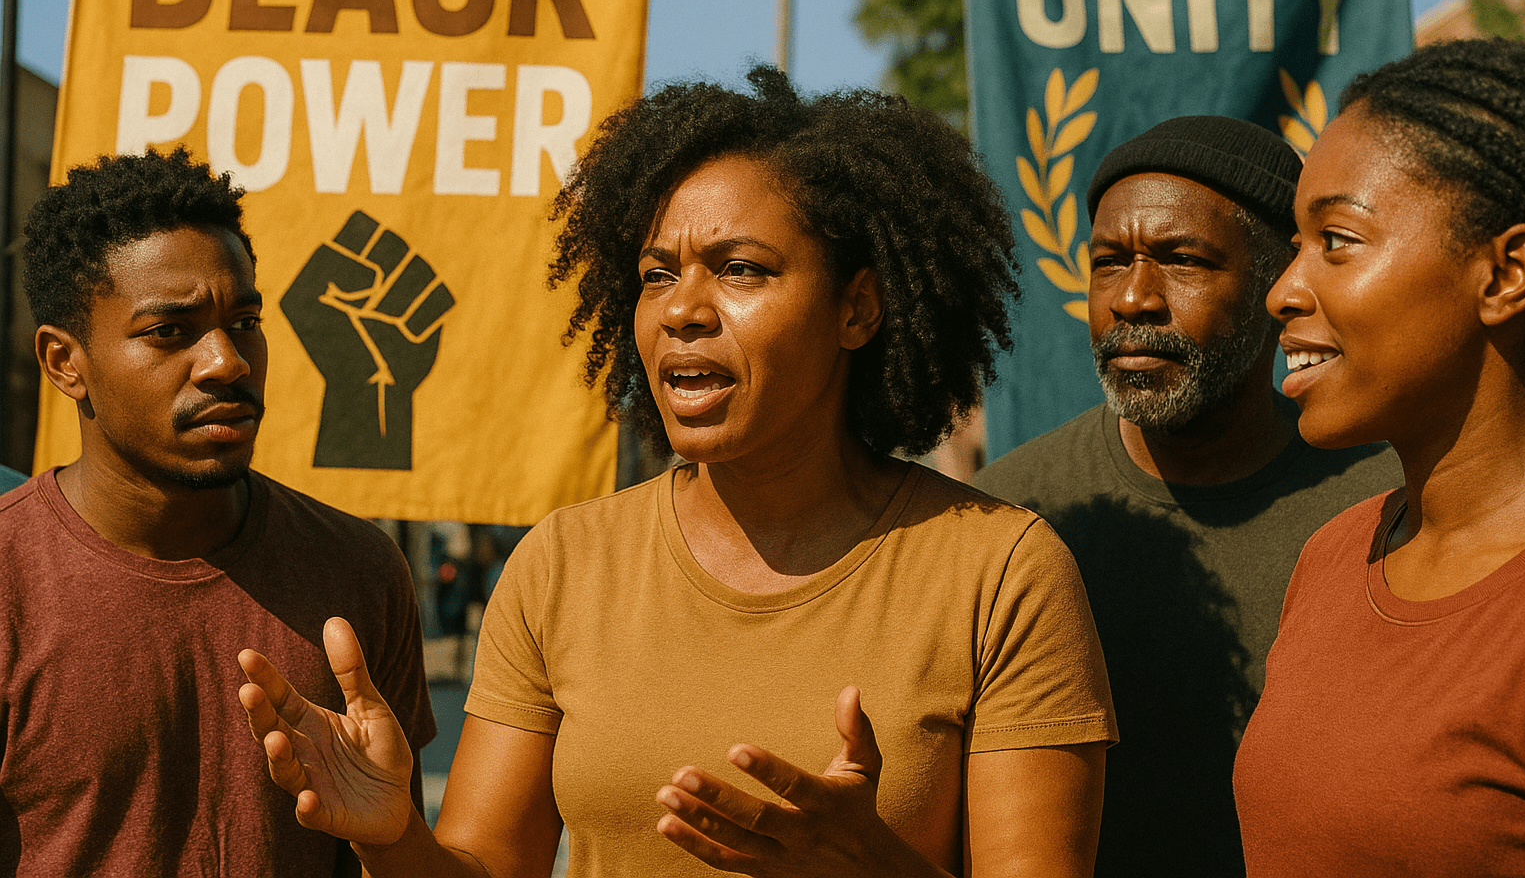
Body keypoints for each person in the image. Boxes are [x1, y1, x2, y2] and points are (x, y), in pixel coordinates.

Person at [238, 66, 1117, 877]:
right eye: (657, 275)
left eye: (741, 269)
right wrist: (395, 838)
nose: (683, 311)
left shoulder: (1000, 571)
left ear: (857, 307)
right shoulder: (562, 564)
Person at [972, 116, 1402, 877]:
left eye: (1182, 260)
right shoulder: (1008, 522)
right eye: (1108, 262)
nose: (1134, 298)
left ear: (1281, 283)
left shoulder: (1390, 507)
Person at [0, 147, 435, 876]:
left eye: (245, 320)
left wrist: (391, 842)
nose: (226, 361)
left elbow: (400, 854)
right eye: (170, 331)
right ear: (64, 362)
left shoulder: (357, 571)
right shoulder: (12, 580)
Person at [1234, 39, 1525, 875]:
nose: (1282, 291)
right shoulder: (1333, 557)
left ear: (1505, 273)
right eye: (1295, 244)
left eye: (1336, 239)